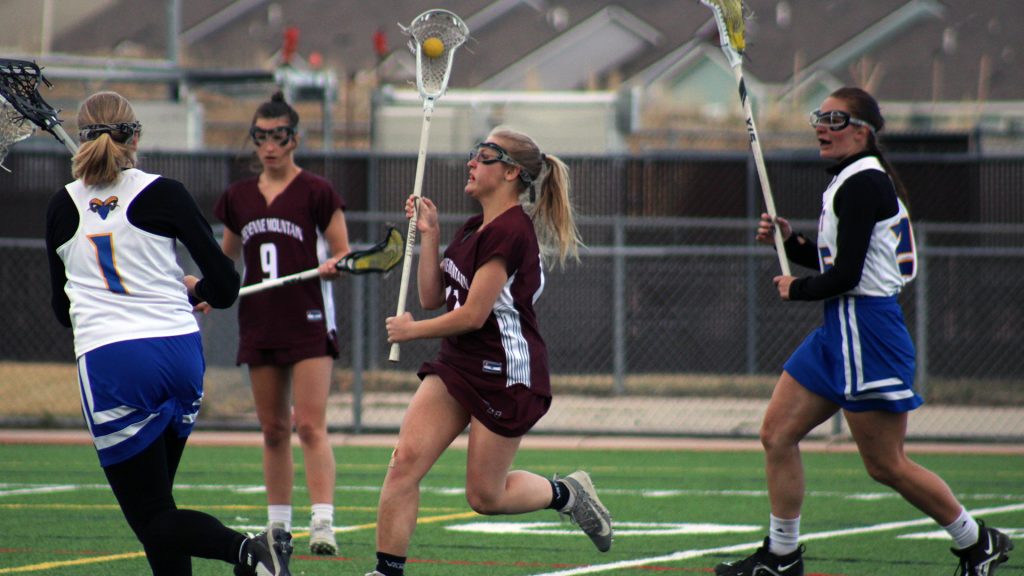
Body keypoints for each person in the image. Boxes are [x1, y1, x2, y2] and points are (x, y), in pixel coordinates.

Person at [714, 87, 1013, 576]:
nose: (821, 127)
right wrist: (792, 242)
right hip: (840, 329)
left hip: (865, 330)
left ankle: (976, 540)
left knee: (885, 464)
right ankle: (783, 556)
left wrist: (798, 289)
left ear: (863, 132)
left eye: (834, 118)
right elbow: (838, 260)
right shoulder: (851, 180)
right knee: (777, 434)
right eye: (819, 117)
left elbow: (848, 277)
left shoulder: (862, 183)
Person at [44, 91, 292, 576]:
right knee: (161, 508)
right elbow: (225, 287)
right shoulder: (165, 193)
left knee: (153, 517)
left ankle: (250, 551)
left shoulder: (60, 207)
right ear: (135, 137)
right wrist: (193, 287)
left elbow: (61, 310)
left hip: (114, 364)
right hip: (180, 355)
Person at [366, 128, 612, 576]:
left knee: (485, 497)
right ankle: (387, 571)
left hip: (505, 373)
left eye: (482, 157)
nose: (470, 164)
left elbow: (474, 315)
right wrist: (429, 235)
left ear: (512, 172)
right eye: (473, 156)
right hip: (458, 363)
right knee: (403, 463)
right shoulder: (473, 226)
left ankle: (567, 494)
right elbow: (430, 296)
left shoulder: (512, 232)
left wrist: (412, 332)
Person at [212, 91, 350, 556]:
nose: (269, 145)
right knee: (273, 429)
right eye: (261, 137)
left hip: (308, 318)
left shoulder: (316, 191)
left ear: (294, 140)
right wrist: (208, 289)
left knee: (310, 425)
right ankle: (278, 528)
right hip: (260, 321)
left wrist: (336, 264)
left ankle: (324, 523)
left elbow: (342, 251)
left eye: (279, 136)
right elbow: (226, 259)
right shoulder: (238, 197)